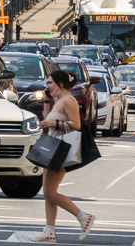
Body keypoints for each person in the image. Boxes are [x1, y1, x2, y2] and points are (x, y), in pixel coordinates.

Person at [30, 69, 95, 243]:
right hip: (51, 148)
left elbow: (76, 125)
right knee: (47, 193)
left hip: (61, 150)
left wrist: (53, 123)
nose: (47, 85)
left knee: (50, 193)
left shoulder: (69, 100)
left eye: (50, 82)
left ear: (61, 84)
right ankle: (49, 231)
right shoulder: (58, 99)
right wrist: (46, 101)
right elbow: (46, 121)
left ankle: (83, 217)